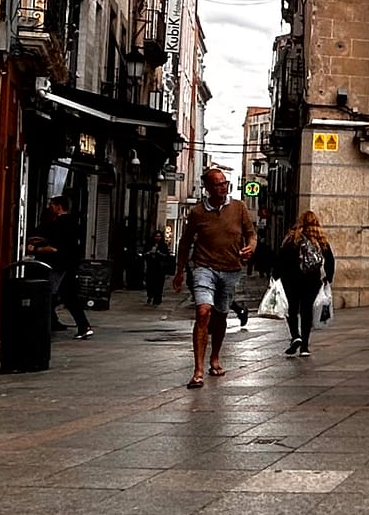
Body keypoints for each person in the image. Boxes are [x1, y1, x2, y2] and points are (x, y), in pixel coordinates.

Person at [172, 165, 255, 389]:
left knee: (220, 316)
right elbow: (186, 242)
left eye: (224, 183)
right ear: (207, 187)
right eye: (217, 184)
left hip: (230, 268)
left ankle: (215, 357)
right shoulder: (197, 212)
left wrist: (251, 247)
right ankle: (197, 370)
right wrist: (179, 271)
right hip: (203, 267)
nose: (222, 187)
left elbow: (251, 233)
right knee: (203, 311)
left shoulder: (239, 208)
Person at [274, 210, 335, 357]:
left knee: (292, 309)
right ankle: (305, 347)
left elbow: (280, 258)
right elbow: (330, 260)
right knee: (307, 311)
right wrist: (328, 278)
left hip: (291, 280)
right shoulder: (320, 239)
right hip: (312, 281)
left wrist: (275, 276)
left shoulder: (292, 238)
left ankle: (296, 336)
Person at [31, 198, 91, 339]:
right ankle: (76, 325)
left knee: (53, 294)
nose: (49, 208)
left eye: (51, 205)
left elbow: (53, 248)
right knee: (66, 296)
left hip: (59, 266)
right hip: (69, 264)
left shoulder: (59, 224)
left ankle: (42, 326)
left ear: (58, 207)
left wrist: (35, 248)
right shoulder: (74, 223)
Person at [142, 229, 174, 307]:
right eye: (156, 236)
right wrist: (149, 253)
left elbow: (166, 256)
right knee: (150, 282)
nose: (157, 238)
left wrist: (159, 253)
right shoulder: (149, 244)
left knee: (159, 284)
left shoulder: (163, 245)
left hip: (160, 268)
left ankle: (157, 298)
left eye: (159, 236)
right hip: (151, 267)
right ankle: (150, 295)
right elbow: (144, 254)